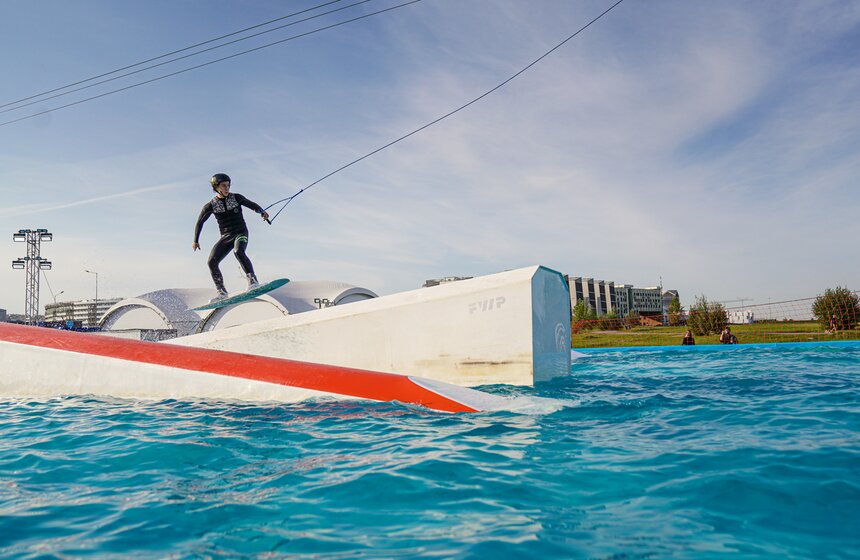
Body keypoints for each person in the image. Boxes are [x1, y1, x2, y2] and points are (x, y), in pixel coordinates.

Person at [193, 173, 270, 301]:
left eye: (228, 185)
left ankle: (253, 281)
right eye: (223, 185)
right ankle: (222, 292)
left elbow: (252, 205)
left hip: (241, 232)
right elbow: (200, 222)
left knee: (238, 251)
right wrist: (196, 240)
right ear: (216, 187)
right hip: (226, 237)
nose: (227, 188)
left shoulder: (236, 198)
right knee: (211, 262)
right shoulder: (210, 206)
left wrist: (262, 212)